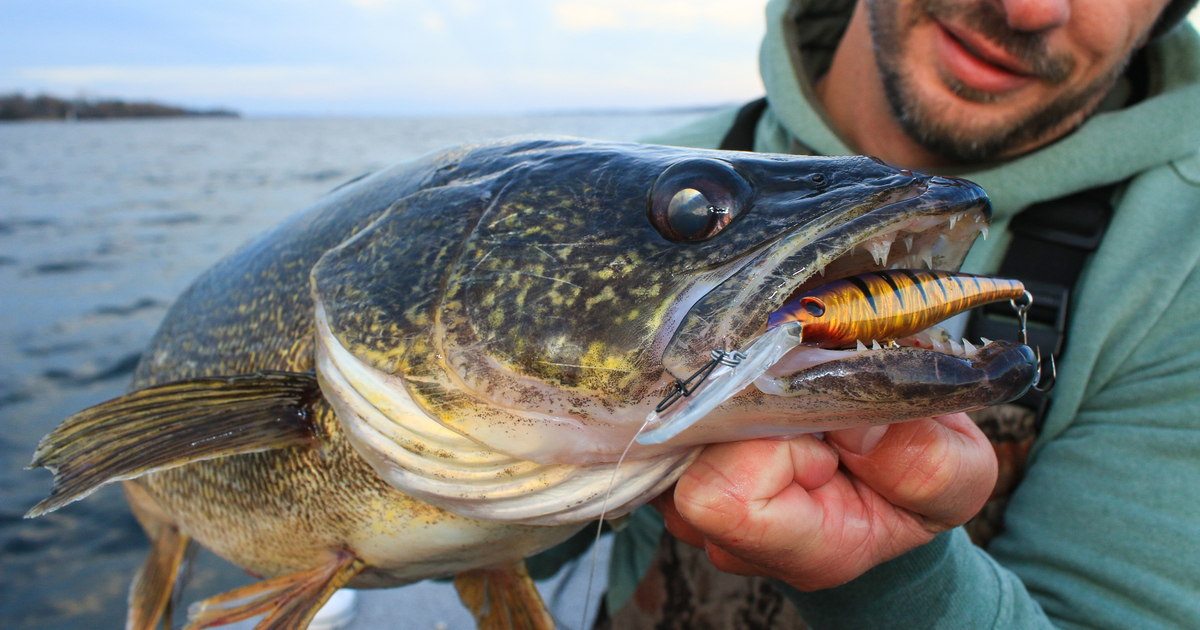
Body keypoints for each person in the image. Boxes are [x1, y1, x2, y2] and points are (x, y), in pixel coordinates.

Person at [591, 0, 1200, 626]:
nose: (1028, 8)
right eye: (694, 218)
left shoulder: (1185, 265)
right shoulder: (625, 183)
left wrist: (900, 577)